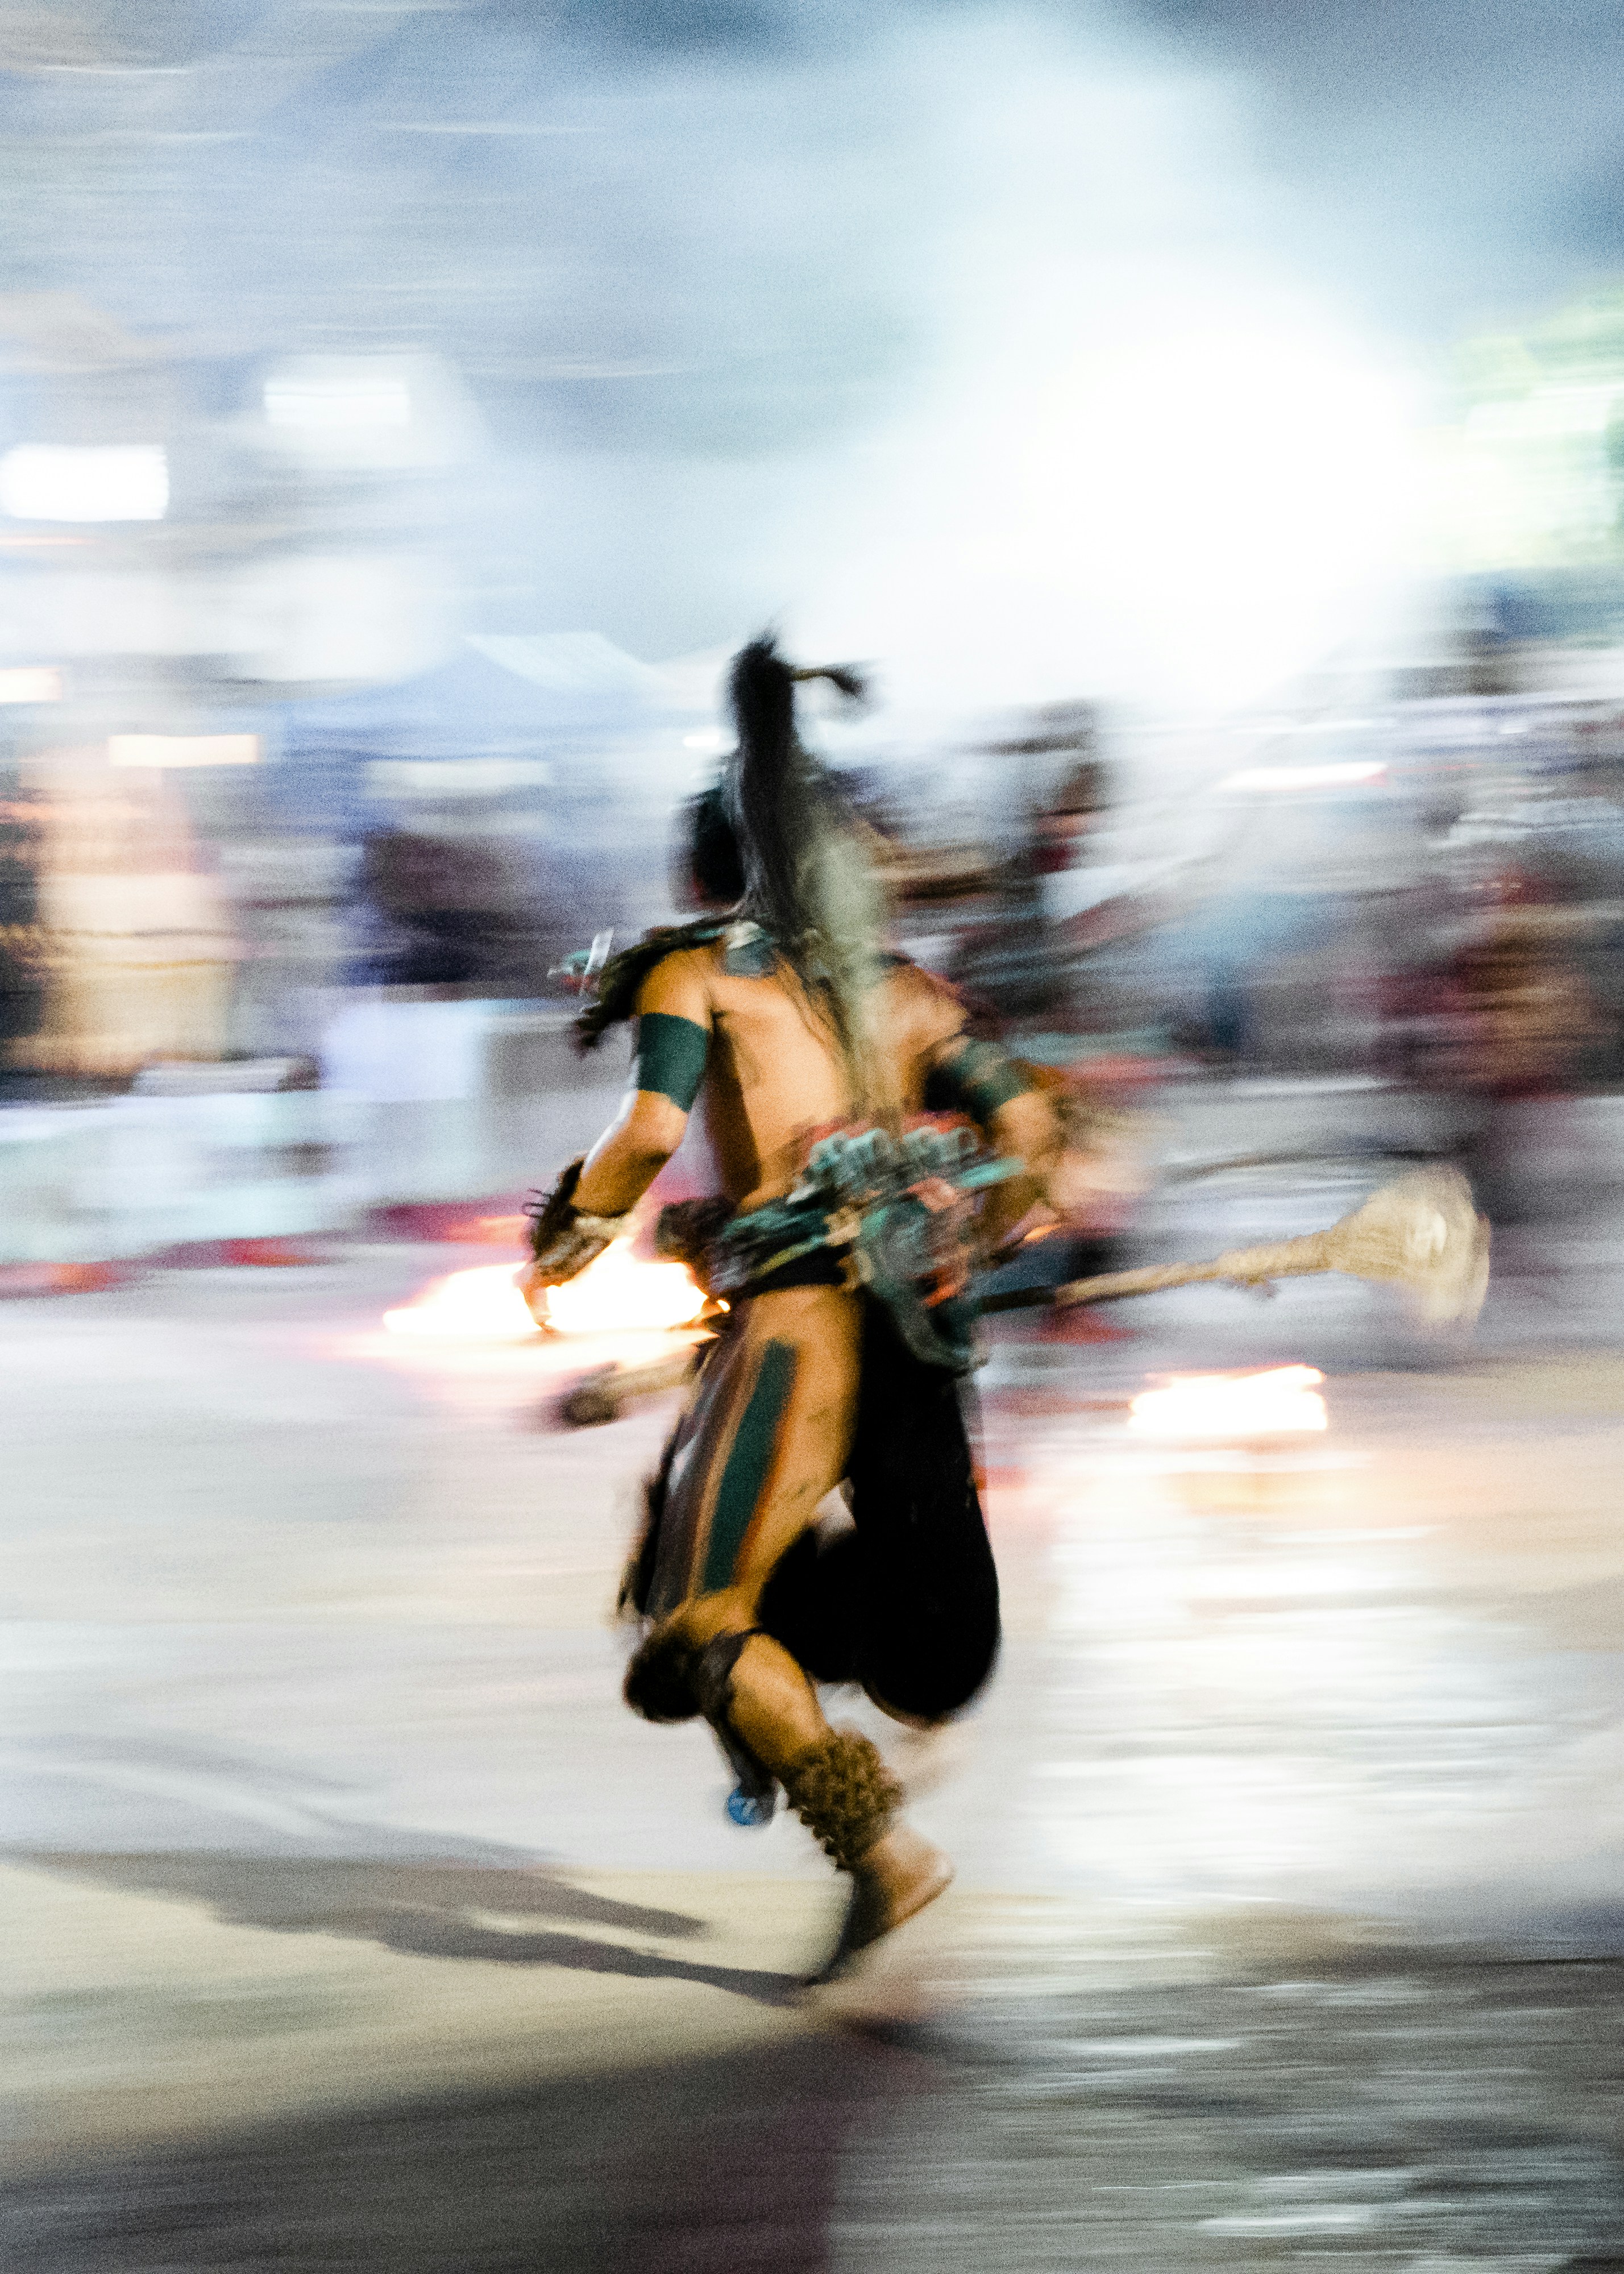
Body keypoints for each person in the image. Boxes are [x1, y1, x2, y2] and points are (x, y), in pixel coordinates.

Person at [521, 638, 1060, 1968]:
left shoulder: (692, 972)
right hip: (913, 1331)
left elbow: (646, 1134)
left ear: (701, 875)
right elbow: (1034, 1133)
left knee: (695, 1614)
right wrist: (963, 1235)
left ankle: (880, 1850)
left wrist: (565, 1239)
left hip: (800, 1325)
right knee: (913, 1639)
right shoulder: (912, 996)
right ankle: (883, 1743)